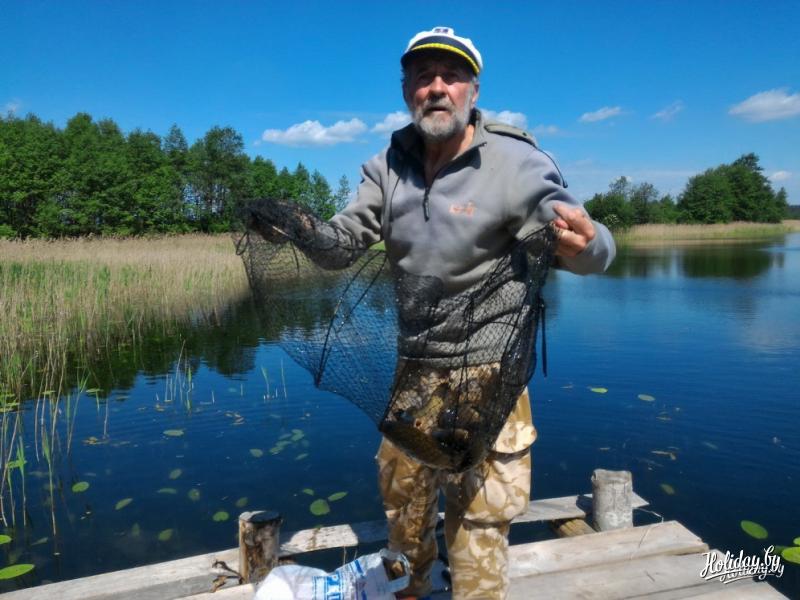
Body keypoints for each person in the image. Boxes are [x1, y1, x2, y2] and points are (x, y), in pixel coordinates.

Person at [249, 26, 615, 600]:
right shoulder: (386, 167)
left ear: (473, 90)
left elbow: (596, 249)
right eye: (423, 77)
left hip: (491, 378)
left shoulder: (516, 162)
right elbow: (342, 245)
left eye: (452, 76)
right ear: (406, 91)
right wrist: (300, 229)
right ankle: (410, 588)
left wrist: (589, 245)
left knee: (479, 528)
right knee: (405, 515)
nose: (437, 88)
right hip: (414, 373)